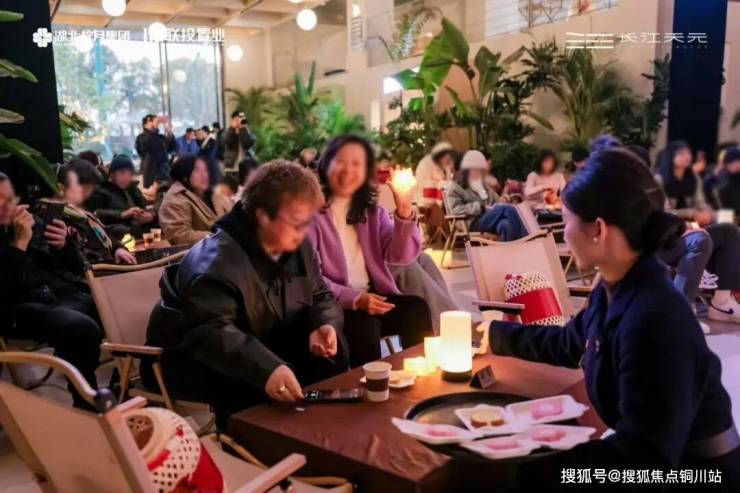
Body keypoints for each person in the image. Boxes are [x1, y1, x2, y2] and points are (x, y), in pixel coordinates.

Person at [486, 148, 739, 490]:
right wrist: (492, 334)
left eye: (567, 219)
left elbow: (642, 462)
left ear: (599, 229)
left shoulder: (654, 317)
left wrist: (531, 467)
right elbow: (568, 342)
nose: (564, 232)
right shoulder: (617, 286)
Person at [144, 161, 348, 428]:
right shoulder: (215, 263)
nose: (305, 232)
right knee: (249, 385)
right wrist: (267, 368)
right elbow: (212, 332)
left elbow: (320, 293)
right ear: (263, 216)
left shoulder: (297, 245)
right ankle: (252, 443)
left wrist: (323, 324)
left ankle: (323, 435)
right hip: (200, 360)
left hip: (266, 338)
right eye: (297, 222)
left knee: (328, 358)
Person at [309, 135, 433, 367]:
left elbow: (401, 256)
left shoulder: (372, 213)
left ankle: (419, 375)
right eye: (340, 161)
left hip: (373, 298)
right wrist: (355, 299)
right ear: (326, 165)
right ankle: (371, 386)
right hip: (335, 305)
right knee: (364, 327)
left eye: (356, 163)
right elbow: (311, 278)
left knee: (416, 309)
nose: (348, 170)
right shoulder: (312, 215)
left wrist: (404, 210)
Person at [0, 172, 104, 409]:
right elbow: (7, 290)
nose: (9, 205)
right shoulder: (19, 231)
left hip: (62, 294)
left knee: (120, 303)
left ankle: (127, 381)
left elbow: (74, 268)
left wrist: (63, 246)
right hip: (18, 307)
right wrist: (19, 245)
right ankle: (87, 402)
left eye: (10, 198)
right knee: (78, 327)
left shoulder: (26, 223)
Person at [56, 165, 136, 266]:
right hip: (97, 270)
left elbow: (101, 234)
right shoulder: (61, 216)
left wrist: (117, 249)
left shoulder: (80, 212)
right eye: (78, 185)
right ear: (61, 188)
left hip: (109, 265)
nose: (85, 192)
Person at [444, 150, 526, 241]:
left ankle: (511, 248)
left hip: (489, 217)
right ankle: (527, 240)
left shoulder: (480, 184)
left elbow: (496, 200)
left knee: (505, 225)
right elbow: (456, 210)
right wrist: (481, 207)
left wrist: (503, 199)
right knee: (507, 209)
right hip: (472, 221)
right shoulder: (454, 188)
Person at [158, 154, 232, 245]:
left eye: (205, 170)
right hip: (200, 252)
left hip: (224, 247)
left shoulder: (213, 194)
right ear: (185, 175)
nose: (204, 175)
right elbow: (181, 236)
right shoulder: (174, 199)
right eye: (197, 170)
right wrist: (218, 236)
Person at [86, 154, 154, 240]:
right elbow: (95, 214)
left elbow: (145, 207)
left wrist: (149, 215)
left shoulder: (133, 189)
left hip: (139, 227)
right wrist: (122, 214)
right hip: (119, 232)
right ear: (112, 174)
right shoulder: (100, 191)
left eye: (129, 173)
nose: (126, 177)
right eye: (122, 173)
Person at [655, 141, 713, 225]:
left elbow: (700, 203)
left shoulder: (694, 177)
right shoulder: (659, 179)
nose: (687, 157)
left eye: (688, 153)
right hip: (667, 225)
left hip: (692, 224)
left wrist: (706, 211)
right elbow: (664, 212)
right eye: (681, 154)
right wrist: (689, 212)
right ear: (670, 156)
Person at [415, 142, 456, 240]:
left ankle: (453, 234)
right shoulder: (425, 164)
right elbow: (422, 184)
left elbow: (449, 180)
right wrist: (440, 183)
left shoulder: (445, 165)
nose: (448, 160)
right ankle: (446, 235)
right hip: (426, 200)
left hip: (443, 198)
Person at [135, 114, 176, 188]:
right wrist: (153, 128)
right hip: (151, 175)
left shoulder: (161, 137)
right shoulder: (141, 138)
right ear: (145, 125)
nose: (155, 122)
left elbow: (171, 147)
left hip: (164, 174)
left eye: (153, 120)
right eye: (150, 120)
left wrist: (170, 134)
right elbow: (144, 148)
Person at [716, 146, 740, 217]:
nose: (736, 164)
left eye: (738, 161)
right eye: (731, 162)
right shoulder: (721, 180)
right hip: (727, 216)